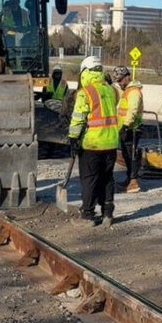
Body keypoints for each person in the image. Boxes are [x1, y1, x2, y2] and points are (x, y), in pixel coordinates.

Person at [67, 55, 120, 227]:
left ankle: (88, 215)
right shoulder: (112, 91)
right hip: (111, 143)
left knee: (89, 179)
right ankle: (107, 214)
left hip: (92, 144)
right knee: (107, 178)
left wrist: (73, 137)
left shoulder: (85, 93)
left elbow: (78, 118)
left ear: (85, 72)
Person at [113, 66, 144, 193]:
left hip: (132, 128)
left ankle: (133, 181)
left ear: (127, 77)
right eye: (118, 81)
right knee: (126, 154)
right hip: (126, 128)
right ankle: (129, 179)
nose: (119, 83)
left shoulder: (134, 92)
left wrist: (126, 125)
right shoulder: (127, 90)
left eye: (120, 80)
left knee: (132, 155)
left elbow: (132, 111)